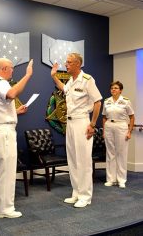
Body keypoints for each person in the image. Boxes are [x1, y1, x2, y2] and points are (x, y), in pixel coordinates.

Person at [50, 53, 102, 208]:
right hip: (70, 123)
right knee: (72, 159)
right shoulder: (71, 81)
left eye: (69, 62)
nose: (66, 65)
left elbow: (98, 102)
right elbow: (64, 89)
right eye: (66, 62)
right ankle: (76, 192)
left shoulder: (87, 80)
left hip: (82, 123)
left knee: (83, 161)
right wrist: (54, 76)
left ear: (78, 64)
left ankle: (85, 196)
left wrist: (92, 125)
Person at [0, 58, 33, 218]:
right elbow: (12, 93)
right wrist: (27, 75)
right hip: (3, 131)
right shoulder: (0, 82)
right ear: (4, 68)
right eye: (11, 68)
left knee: (0, 171)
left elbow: (1, 107)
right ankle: (5, 209)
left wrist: (16, 112)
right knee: (6, 171)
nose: (13, 71)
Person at [102, 81, 135, 188]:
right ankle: (111, 179)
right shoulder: (107, 101)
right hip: (109, 126)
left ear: (120, 90)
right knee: (110, 153)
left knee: (121, 153)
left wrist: (129, 131)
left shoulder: (125, 101)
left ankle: (121, 179)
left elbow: (131, 117)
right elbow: (104, 117)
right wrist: (103, 131)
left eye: (116, 88)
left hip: (121, 126)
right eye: (112, 88)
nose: (113, 90)